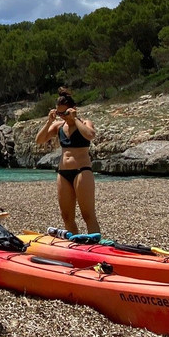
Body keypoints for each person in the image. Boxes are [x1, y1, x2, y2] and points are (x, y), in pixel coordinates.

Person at [34, 87, 100, 235]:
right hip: (63, 172)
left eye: (65, 113)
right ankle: (75, 243)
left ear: (73, 109)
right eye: (59, 113)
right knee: (66, 216)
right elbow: (39, 140)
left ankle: (96, 246)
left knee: (87, 214)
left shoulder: (84, 123)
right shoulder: (58, 126)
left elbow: (90, 135)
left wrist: (75, 119)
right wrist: (49, 121)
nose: (63, 116)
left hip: (82, 170)